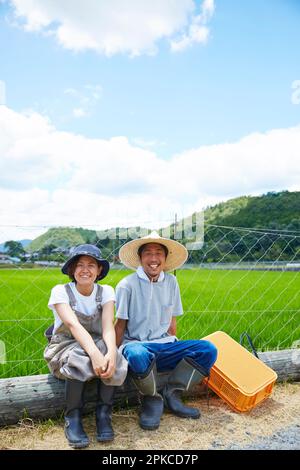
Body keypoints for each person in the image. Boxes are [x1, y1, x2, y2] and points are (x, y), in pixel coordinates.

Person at [115, 231, 217, 431]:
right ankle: (151, 399)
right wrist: (112, 355)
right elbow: (120, 324)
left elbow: (172, 321)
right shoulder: (126, 285)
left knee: (208, 349)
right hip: (138, 348)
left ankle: (173, 393)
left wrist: (176, 346)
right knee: (136, 353)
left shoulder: (171, 282)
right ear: (140, 258)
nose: (153, 259)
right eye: (148, 253)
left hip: (165, 346)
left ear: (165, 258)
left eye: (159, 253)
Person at [44, 244, 128, 448]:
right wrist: (95, 354)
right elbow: (73, 325)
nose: (85, 269)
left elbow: (108, 326)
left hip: (97, 343)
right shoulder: (60, 291)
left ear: (99, 270)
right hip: (65, 346)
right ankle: (72, 417)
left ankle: (103, 413)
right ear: (72, 269)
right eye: (79, 264)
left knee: (117, 356)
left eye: (91, 265)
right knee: (79, 357)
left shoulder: (106, 291)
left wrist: (109, 353)